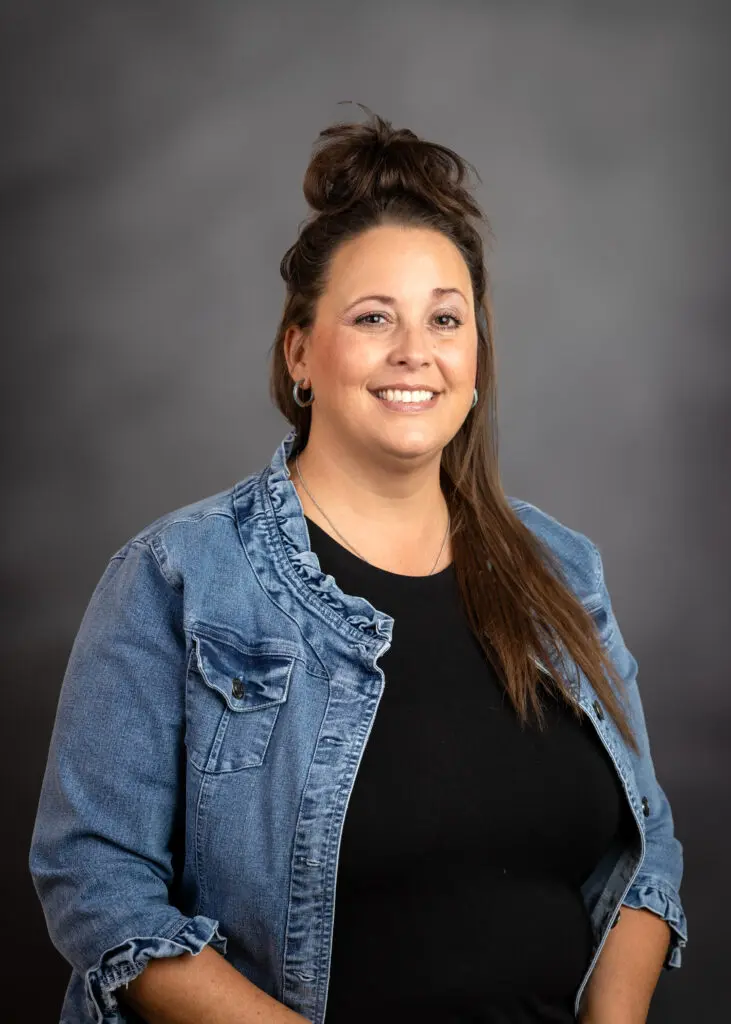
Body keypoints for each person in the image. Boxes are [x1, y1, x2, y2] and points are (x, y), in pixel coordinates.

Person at [29, 105, 687, 1024]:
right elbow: (96, 883)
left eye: (445, 319)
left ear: (475, 356)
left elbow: (646, 843)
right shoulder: (179, 576)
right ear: (300, 352)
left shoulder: (561, 571)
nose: (415, 352)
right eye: (374, 317)